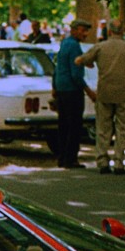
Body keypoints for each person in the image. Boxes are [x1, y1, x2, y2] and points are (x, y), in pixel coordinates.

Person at [76, 18, 125, 175]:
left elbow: (79, 60)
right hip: (124, 93)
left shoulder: (100, 47)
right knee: (122, 128)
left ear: (109, 31)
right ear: (122, 32)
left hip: (104, 92)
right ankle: (119, 162)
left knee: (103, 127)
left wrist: (89, 63)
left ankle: (103, 161)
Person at [51, 19, 95, 168]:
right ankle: (71, 158)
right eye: (83, 30)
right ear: (75, 30)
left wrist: (54, 86)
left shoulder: (64, 44)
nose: (85, 34)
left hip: (62, 88)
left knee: (63, 124)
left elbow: (57, 67)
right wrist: (89, 92)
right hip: (72, 90)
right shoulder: (74, 46)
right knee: (74, 125)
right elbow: (76, 74)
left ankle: (62, 157)